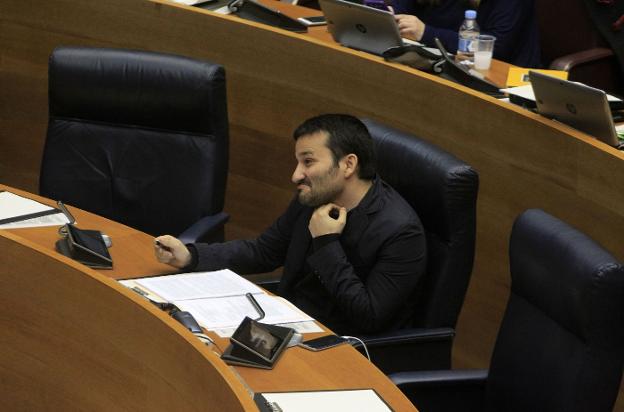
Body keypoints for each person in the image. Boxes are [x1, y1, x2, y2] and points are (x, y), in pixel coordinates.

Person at [155, 114, 427, 335]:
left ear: (348, 165)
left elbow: (368, 317)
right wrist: (191, 255)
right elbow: (263, 252)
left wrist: (326, 243)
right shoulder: (313, 197)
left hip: (345, 349)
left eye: (307, 162)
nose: (296, 175)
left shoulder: (401, 232)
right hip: (288, 327)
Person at [393, 0, 541, 68]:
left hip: (499, 79)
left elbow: (496, 47)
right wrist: (390, 15)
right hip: (437, 63)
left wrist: (426, 33)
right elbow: (400, 10)